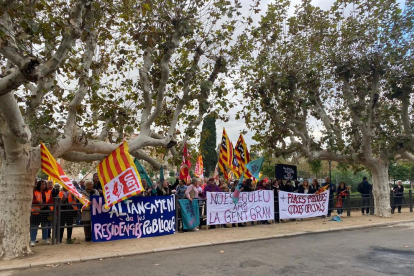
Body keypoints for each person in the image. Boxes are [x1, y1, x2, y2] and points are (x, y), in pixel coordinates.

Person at [30, 180, 50, 247]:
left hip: (45, 210)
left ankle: (45, 239)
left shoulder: (48, 192)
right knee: (34, 226)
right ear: (39, 185)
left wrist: (45, 204)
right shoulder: (34, 192)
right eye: (42, 184)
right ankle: (32, 240)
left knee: (45, 225)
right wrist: (37, 202)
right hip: (36, 211)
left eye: (44, 184)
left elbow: (50, 200)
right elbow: (32, 200)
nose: (43, 186)